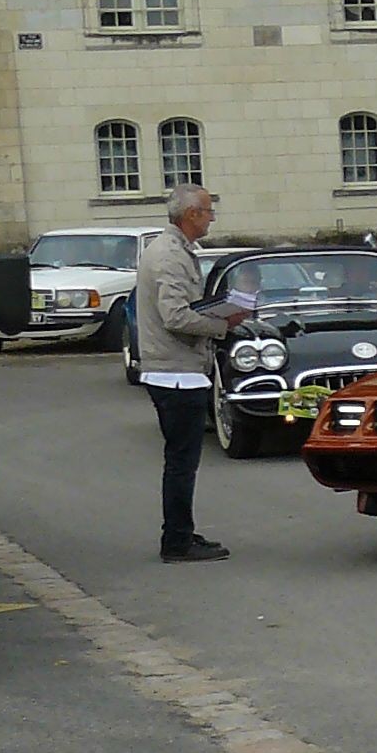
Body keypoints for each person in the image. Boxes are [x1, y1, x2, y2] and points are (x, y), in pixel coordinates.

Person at [132, 184, 235, 563]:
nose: (211, 218)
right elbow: (175, 316)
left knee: (182, 460)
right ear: (191, 214)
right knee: (181, 462)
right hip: (175, 372)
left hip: (177, 370)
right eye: (208, 211)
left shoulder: (174, 251)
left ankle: (181, 532)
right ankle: (176, 540)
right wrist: (222, 324)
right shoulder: (169, 255)